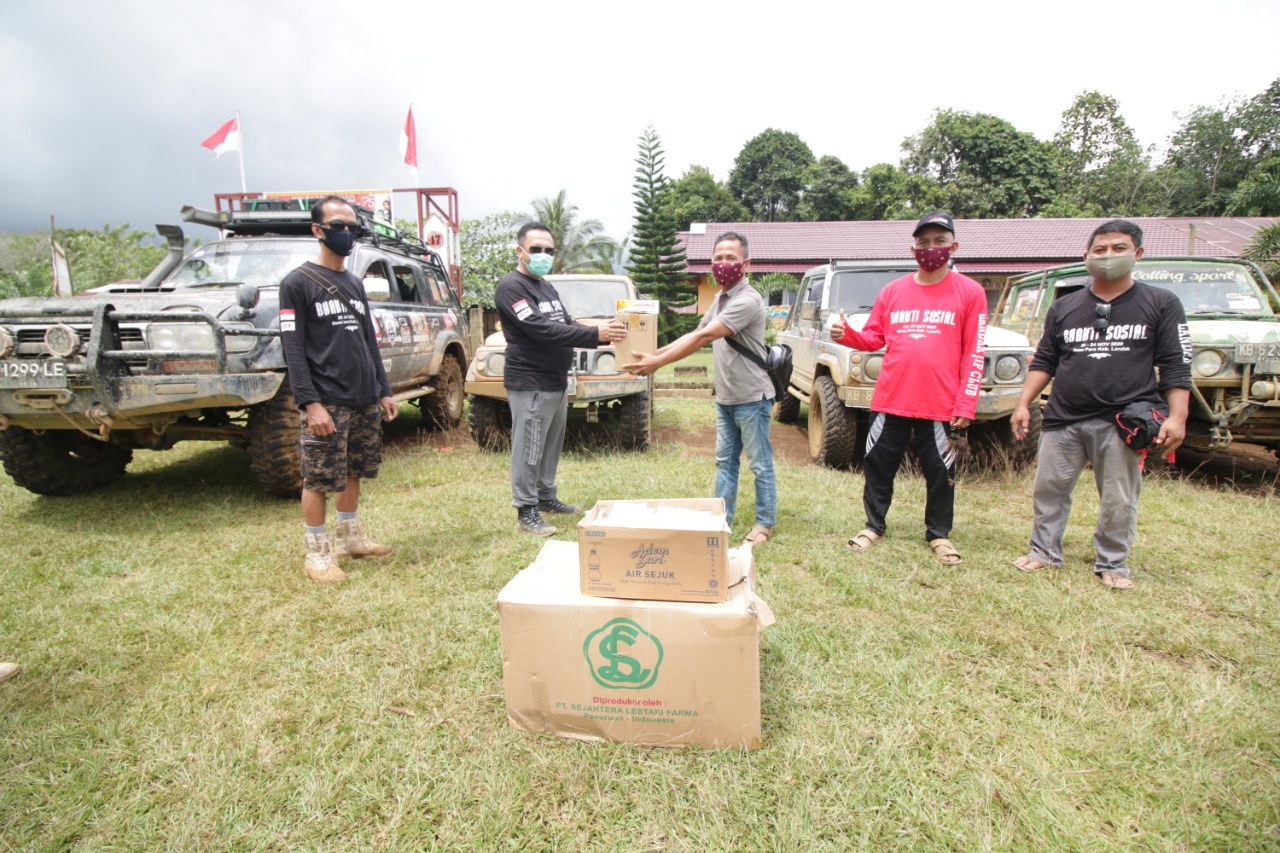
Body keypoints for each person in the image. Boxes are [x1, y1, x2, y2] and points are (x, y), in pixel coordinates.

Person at [1011, 219, 1190, 589]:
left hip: (1123, 419)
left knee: (1118, 496)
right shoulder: (1065, 306)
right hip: (1063, 416)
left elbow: (1175, 364)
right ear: (1087, 256)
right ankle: (1043, 552)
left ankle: (1112, 562)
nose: (1108, 256)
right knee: (1049, 489)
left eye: (1119, 249)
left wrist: (1178, 416)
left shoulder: (1160, 303)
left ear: (1137, 254)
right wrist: (1023, 403)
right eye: (1100, 250)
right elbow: (1045, 360)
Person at [834, 211, 986, 565]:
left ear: (954, 247)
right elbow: (873, 337)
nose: (931, 248)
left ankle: (938, 534)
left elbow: (974, 352)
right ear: (913, 247)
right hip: (891, 400)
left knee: (941, 472)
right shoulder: (893, 291)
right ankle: (873, 526)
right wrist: (848, 335)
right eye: (923, 242)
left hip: (940, 404)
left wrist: (965, 404)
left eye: (939, 241)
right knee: (878, 465)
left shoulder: (971, 292)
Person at [622, 232, 777, 546]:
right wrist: (657, 356)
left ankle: (764, 522)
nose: (723, 264)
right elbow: (697, 331)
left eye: (730, 258)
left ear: (746, 264)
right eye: (718, 257)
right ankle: (721, 518)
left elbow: (704, 339)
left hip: (752, 398)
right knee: (725, 461)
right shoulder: (721, 297)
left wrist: (657, 364)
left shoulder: (747, 300)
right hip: (727, 397)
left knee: (759, 463)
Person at [280, 196, 399, 584]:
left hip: (363, 397)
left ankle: (351, 539)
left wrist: (383, 390)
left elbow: (368, 340)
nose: (346, 233)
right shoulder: (296, 283)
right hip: (327, 400)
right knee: (317, 477)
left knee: (353, 470)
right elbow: (293, 350)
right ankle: (317, 554)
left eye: (352, 226)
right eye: (338, 226)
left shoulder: (353, 282)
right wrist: (311, 404)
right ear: (318, 230)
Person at [496, 222, 627, 536]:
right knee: (528, 447)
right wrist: (595, 334)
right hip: (531, 382)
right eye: (536, 249)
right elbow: (541, 328)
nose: (543, 255)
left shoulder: (544, 285)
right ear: (520, 251)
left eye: (549, 250)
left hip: (555, 380)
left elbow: (565, 322)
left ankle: (545, 497)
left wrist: (604, 328)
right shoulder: (511, 287)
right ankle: (526, 509)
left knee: (550, 444)